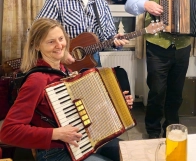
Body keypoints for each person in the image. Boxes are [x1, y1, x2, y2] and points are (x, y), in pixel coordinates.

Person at [0, 18, 134, 161]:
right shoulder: (37, 80)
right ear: (37, 46)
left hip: (84, 140)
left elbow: (84, 110)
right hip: (54, 152)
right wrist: (56, 133)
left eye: (61, 39)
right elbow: (8, 132)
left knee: (132, 154)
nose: (59, 45)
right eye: (51, 42)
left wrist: (117, 105)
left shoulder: (66, 72)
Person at [125, 0, 196, 139]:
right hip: (158, 45)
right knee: (157, 91)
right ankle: (153, 130)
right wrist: (145, 4)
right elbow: (130, 5)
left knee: (176, 91)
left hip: (183, 46)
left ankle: (172, 126)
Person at [36, 0, 129, 67]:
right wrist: (62, 53)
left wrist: (115, 40)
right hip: (64, 59)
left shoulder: (101, 3)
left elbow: (109, 35)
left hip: (93, 58)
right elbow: (38, 31)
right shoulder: (56, 0)